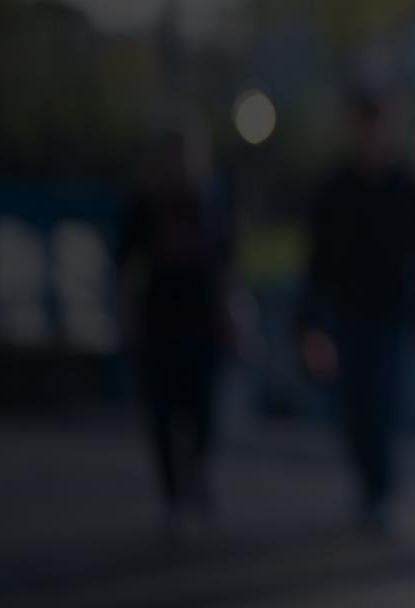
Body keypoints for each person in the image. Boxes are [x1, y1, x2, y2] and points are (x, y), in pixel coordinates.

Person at [297, 87, 415, 532]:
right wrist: (310, 321)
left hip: (390, 313)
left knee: (382, 404)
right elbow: (317, 260)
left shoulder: (405, 186)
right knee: (353, 406)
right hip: (347, 313)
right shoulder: (335, 188)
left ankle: (380, 491)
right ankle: (368, 484)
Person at [116, 119, 234, 539]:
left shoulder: (211, 202)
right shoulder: (145, 205)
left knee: (203, 414)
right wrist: (128, 318)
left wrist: (230, 317)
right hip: (158, 324)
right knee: (162, 416)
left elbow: (224, 267)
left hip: (201, 324)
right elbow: (129, 268)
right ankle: (173, 499)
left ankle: (196, 478)